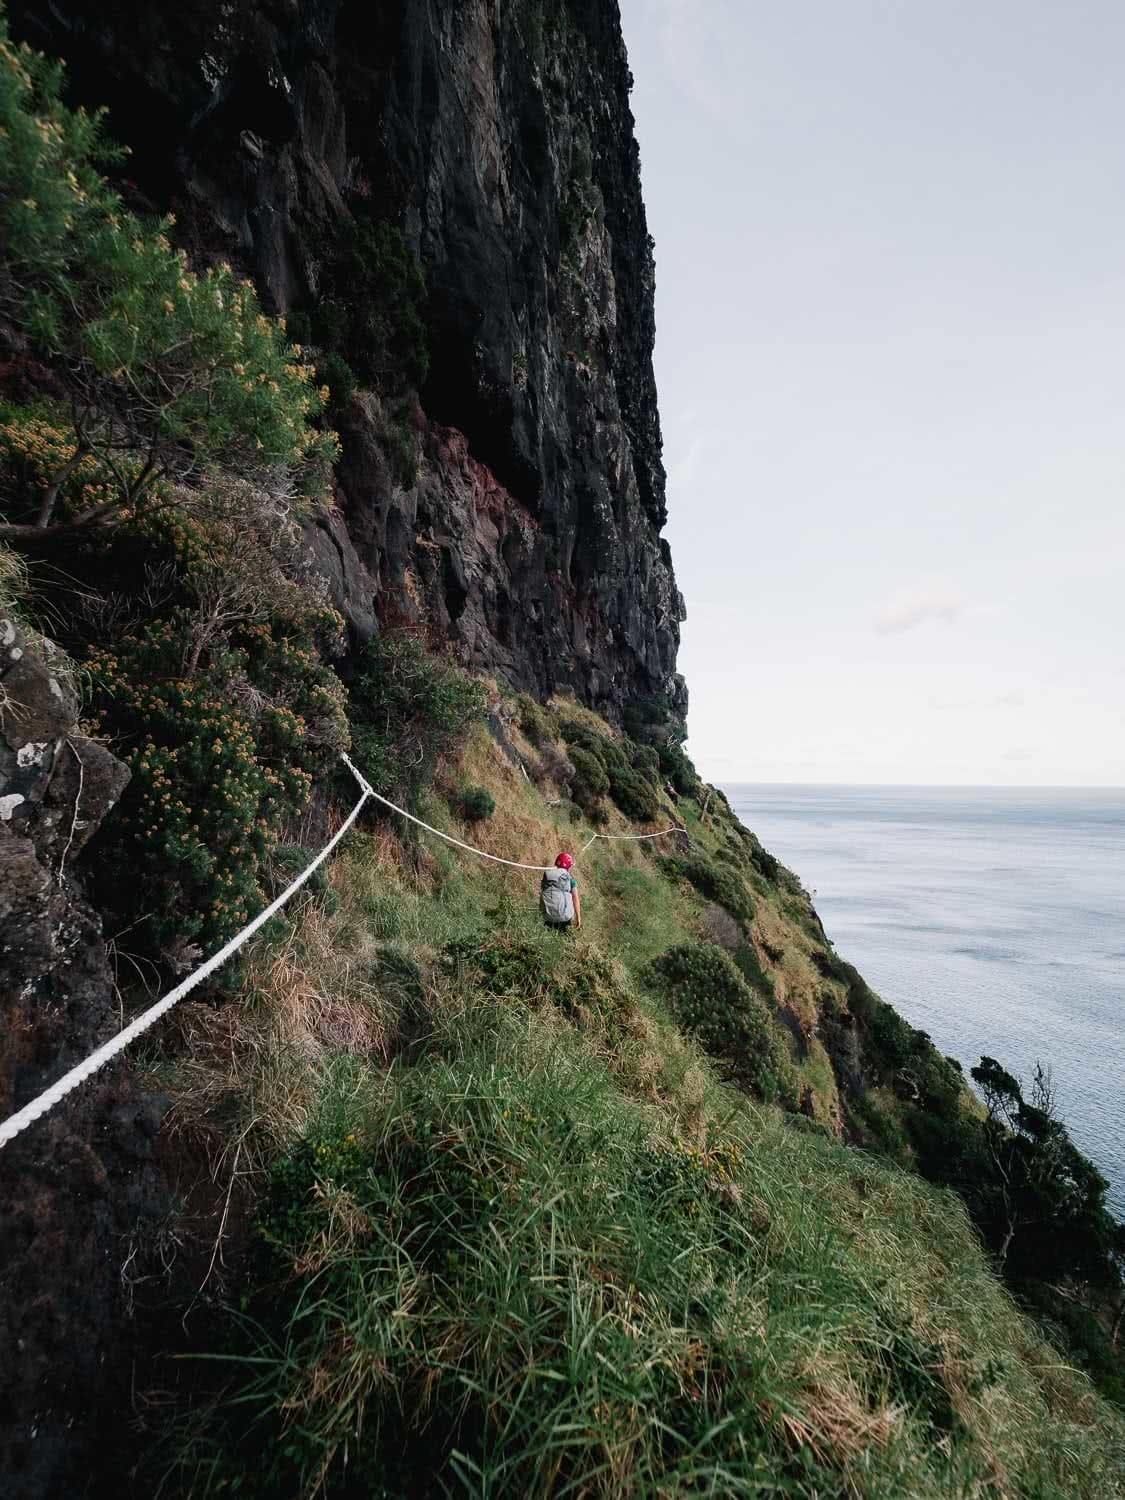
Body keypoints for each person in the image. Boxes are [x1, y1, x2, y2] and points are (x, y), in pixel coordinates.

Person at [541, 851, 581, 930]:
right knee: (566, 937)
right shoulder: (571, 880)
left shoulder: (548, 877)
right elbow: (575, 899)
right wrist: (578, 918)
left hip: (547, 917)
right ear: (568, 867)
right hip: (564, 918)